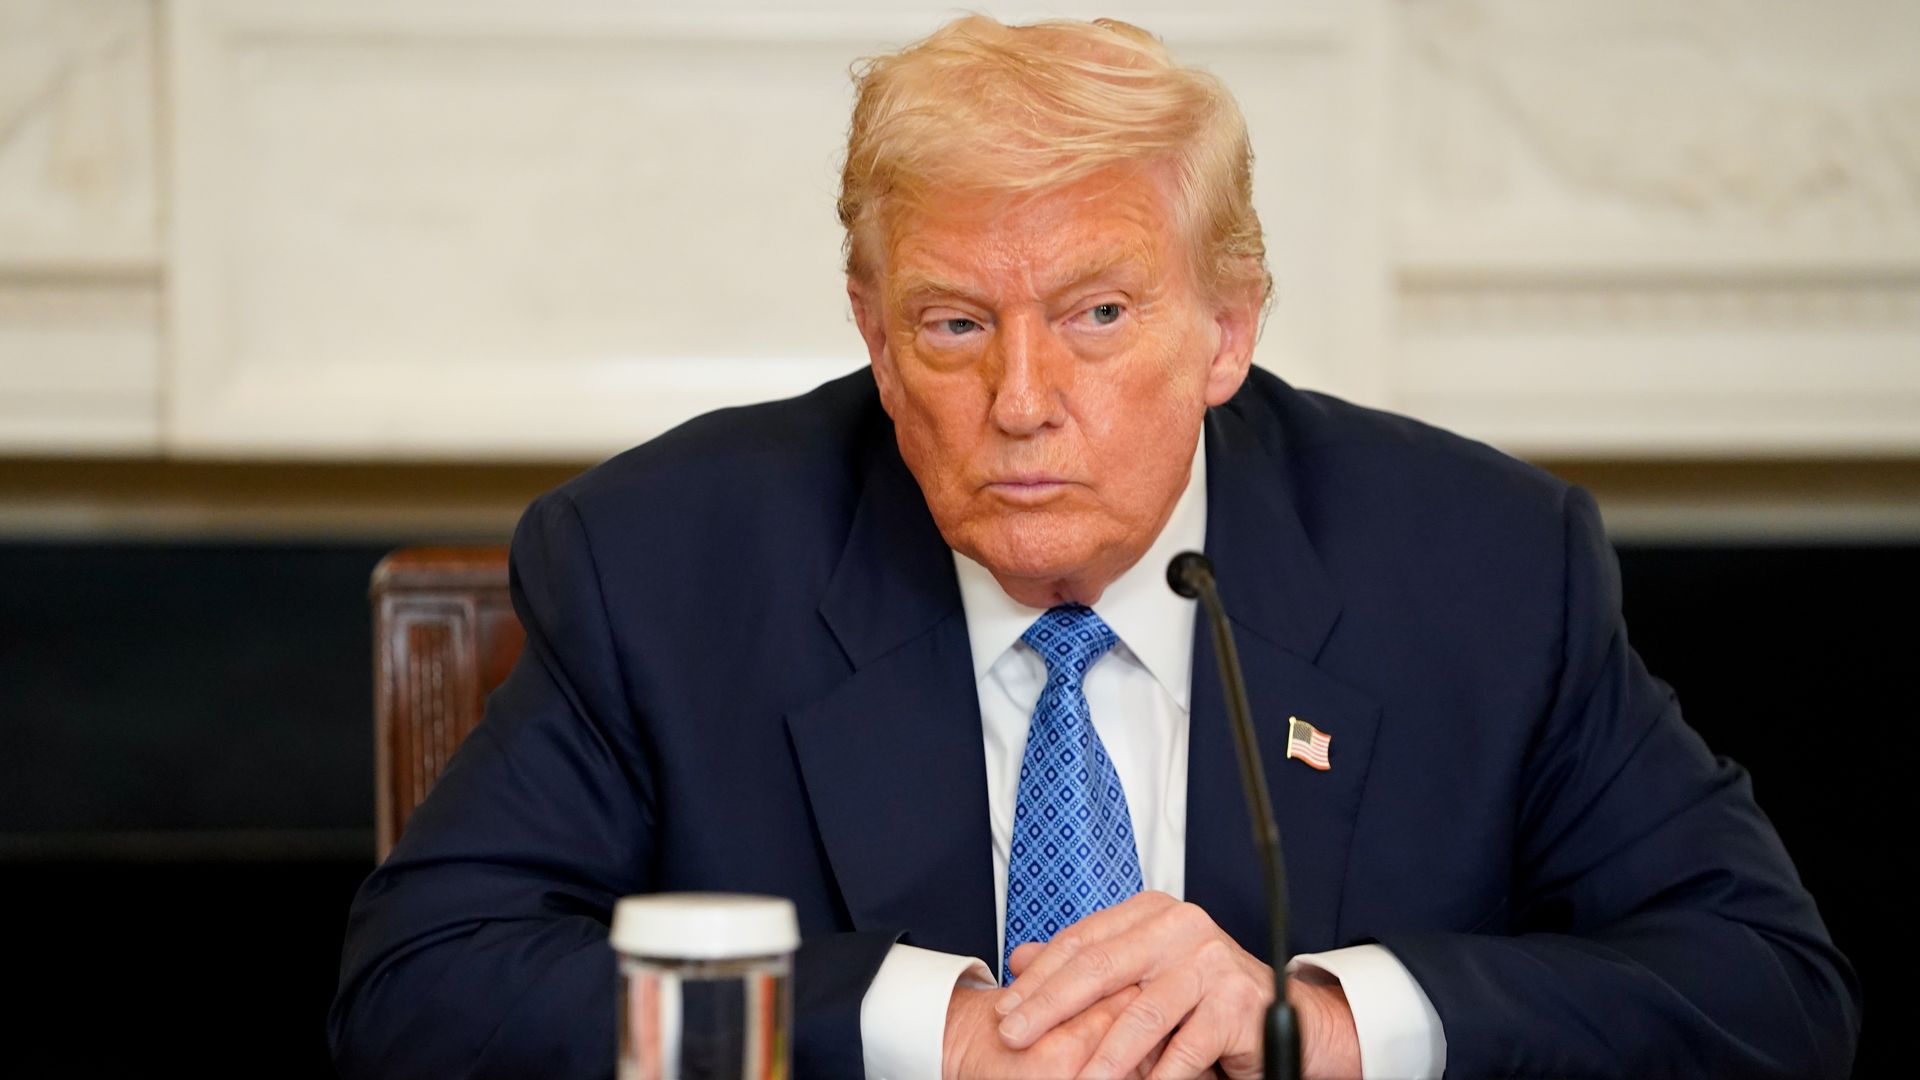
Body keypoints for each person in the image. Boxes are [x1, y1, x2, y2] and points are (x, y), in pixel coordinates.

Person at [330, 15, 1859, 1079]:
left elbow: (1767, 992)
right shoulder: (665, 565)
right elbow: (422, 991)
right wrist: (926, 1030)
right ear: (873, 333)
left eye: (1099, 316)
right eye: (951, 325)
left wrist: (1324, 1022)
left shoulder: (1479, 567)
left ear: (1229, 329)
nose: (1019, 401)